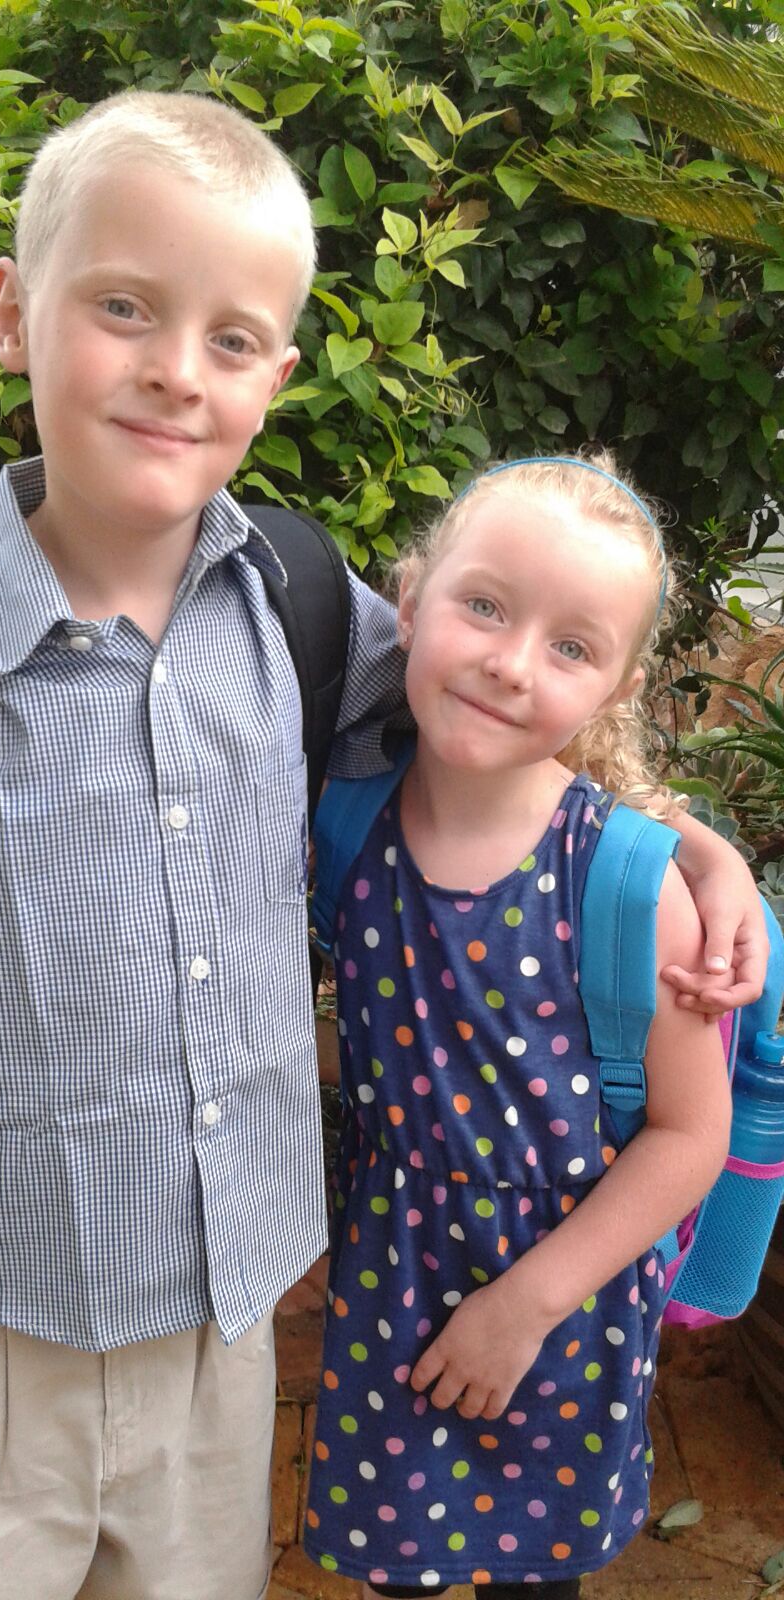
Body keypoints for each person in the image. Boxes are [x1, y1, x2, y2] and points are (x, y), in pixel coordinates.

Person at [0, 88, 763, 1599]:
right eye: (123, 307)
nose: (174, 370)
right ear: (11, 312)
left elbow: (504, 727)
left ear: (276, 378)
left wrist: (695, 851)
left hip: (222, 1335)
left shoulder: (302, 610)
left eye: (233, 337)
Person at [303, 454, 734, 1599]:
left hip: (567, 1298)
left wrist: (525, 1305)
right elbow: (393, 1040)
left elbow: (690, 1134)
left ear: (617, 688)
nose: (511, 661)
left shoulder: (631, 886)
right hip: (392, 1274)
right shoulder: (345, 825)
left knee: (536, 1580)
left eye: (572, 646)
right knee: (396, 1564)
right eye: (486, 605)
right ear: (410, 602)